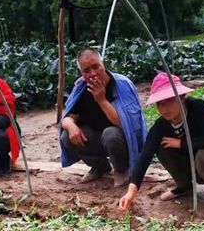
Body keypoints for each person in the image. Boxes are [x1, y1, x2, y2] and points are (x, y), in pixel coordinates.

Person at [119, 72, 204, 217]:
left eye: (168, 101)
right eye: (159, 104)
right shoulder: (161, 125)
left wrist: (181, 143)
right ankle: (184, 186)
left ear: (182, 98)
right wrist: (131, 193)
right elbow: (145, 155)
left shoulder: (198, 109)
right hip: (195, 170)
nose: (164, 108)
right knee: (162, 146)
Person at [60, 48, 147, 186]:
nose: (93, 73)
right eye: (86, 70)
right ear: (82, 73)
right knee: (66, 136)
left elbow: (126, 125)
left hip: (122, 141)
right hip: (98, 139)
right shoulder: (81, 89)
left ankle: (122, 169)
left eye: (96, 67)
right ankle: (100, 166)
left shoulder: (122, 85)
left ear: (103, 64)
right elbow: (67, 118)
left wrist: (101, 100)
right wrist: (71, 126)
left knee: (110, 134)